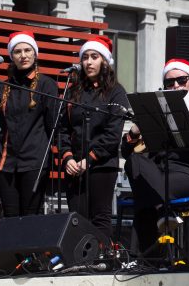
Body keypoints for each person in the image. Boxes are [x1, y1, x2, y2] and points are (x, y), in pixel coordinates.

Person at [121, 59, 189, 256]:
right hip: (163, 171)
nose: (175, 86)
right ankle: (163, 211)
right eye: (169, 83)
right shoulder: (160, 111)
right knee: (134, 162)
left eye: (181, 80)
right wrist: (134, 131)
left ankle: (143, 255)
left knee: (145, 192)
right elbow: (127, 152)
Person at [59, 35, 129, 239]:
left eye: (94, 57)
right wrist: (68, 157)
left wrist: (88, 160)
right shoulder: (73, 92)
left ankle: (102, 261)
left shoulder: (116, 92)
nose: (88, 62)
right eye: (85, 57)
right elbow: (62, 129)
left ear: (105, 61)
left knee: (100, 217)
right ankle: (79, 265)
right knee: (76, 218)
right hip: (74, 166)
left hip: (101, 165)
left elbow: (112, 135)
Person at [0, 32, 58, 217]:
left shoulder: (47, 85)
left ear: (35, 53)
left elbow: (52, 123)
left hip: (34, 161)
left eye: (28, 50)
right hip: (7, 161)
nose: (23, 55)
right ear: (11, 56)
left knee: (31, 217)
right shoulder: (3, 87)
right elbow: (1, 123)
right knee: (10, 215)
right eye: (18, 51)